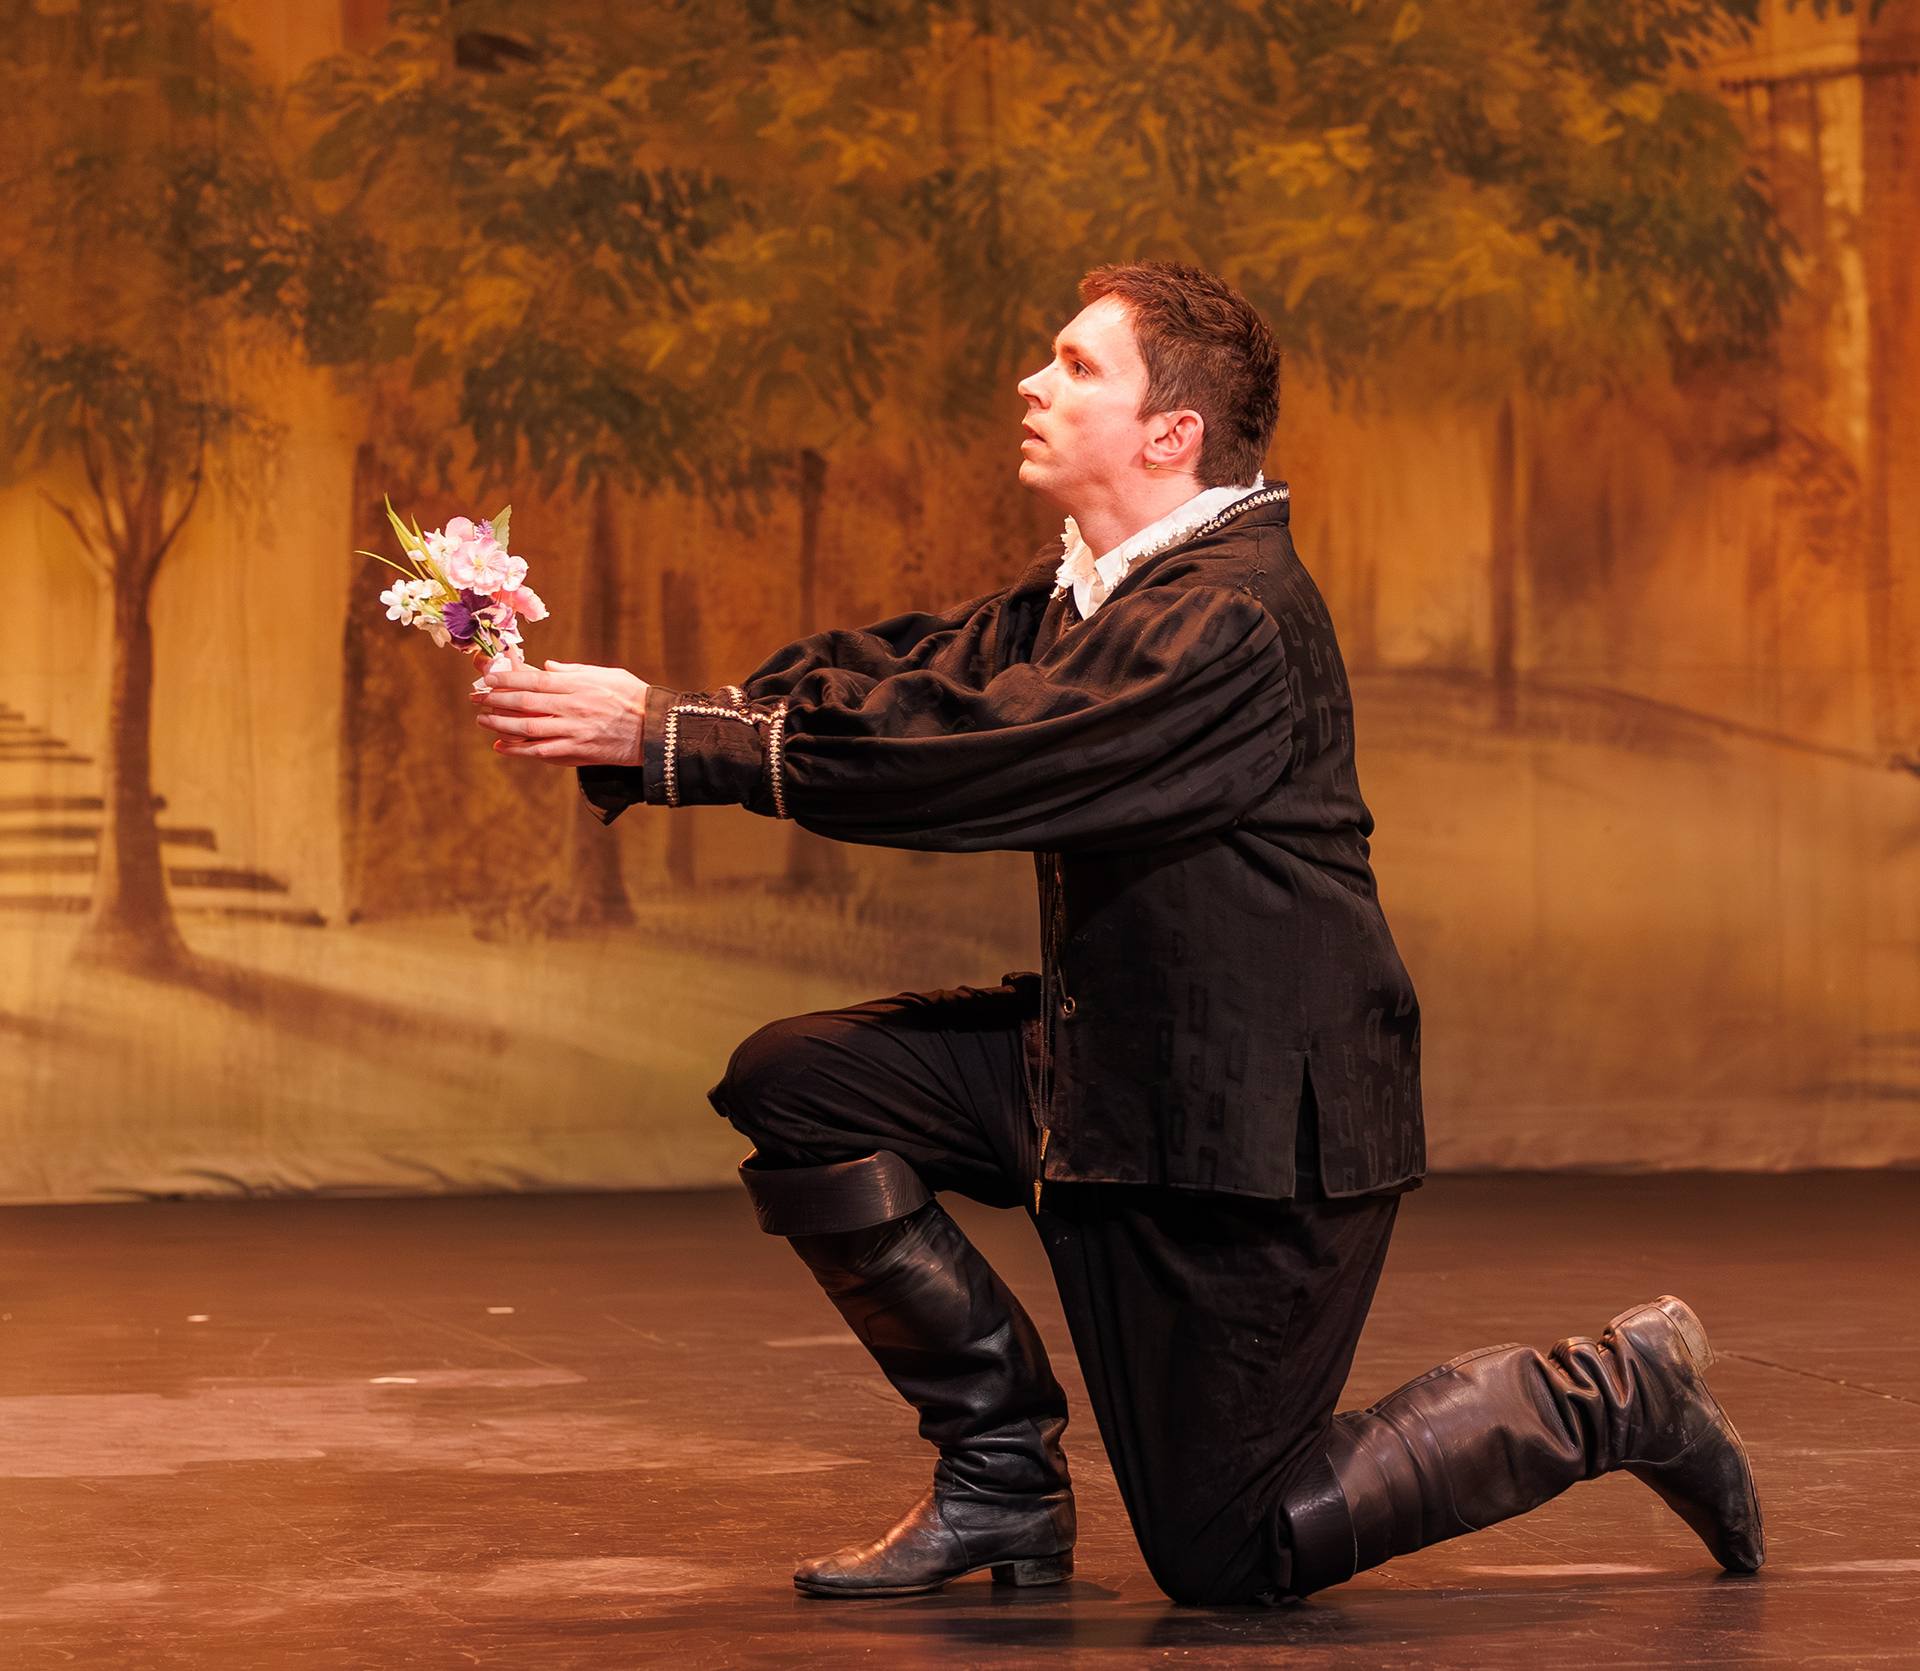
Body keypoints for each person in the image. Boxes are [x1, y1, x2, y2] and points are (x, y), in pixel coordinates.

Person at [470, 262, 1764, 1605]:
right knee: (803, 1084)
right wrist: (648, 717)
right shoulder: (1088, 597)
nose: (1034, 383)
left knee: (1232, 1554)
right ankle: (1000, 1483)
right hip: (1105, 1071)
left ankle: (1617, 1391)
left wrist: (679, 736)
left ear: (1172, 434)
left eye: (1079, 366)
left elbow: (984, 751)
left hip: (1251, 1131)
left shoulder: (1228, 618)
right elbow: (912, 678)